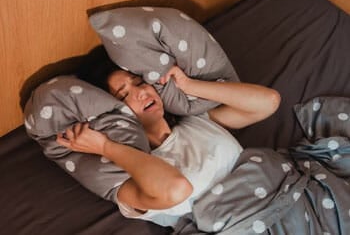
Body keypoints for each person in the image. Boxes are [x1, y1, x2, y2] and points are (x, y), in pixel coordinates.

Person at [56, 62, 281, 227]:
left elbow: (268, 102)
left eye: (140, 82)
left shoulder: (197, 121)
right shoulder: (123, 174)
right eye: (124, 96)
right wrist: (106, 147)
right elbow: (175, 189)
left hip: (281, 200)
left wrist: (189, 85)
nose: (142, 93)